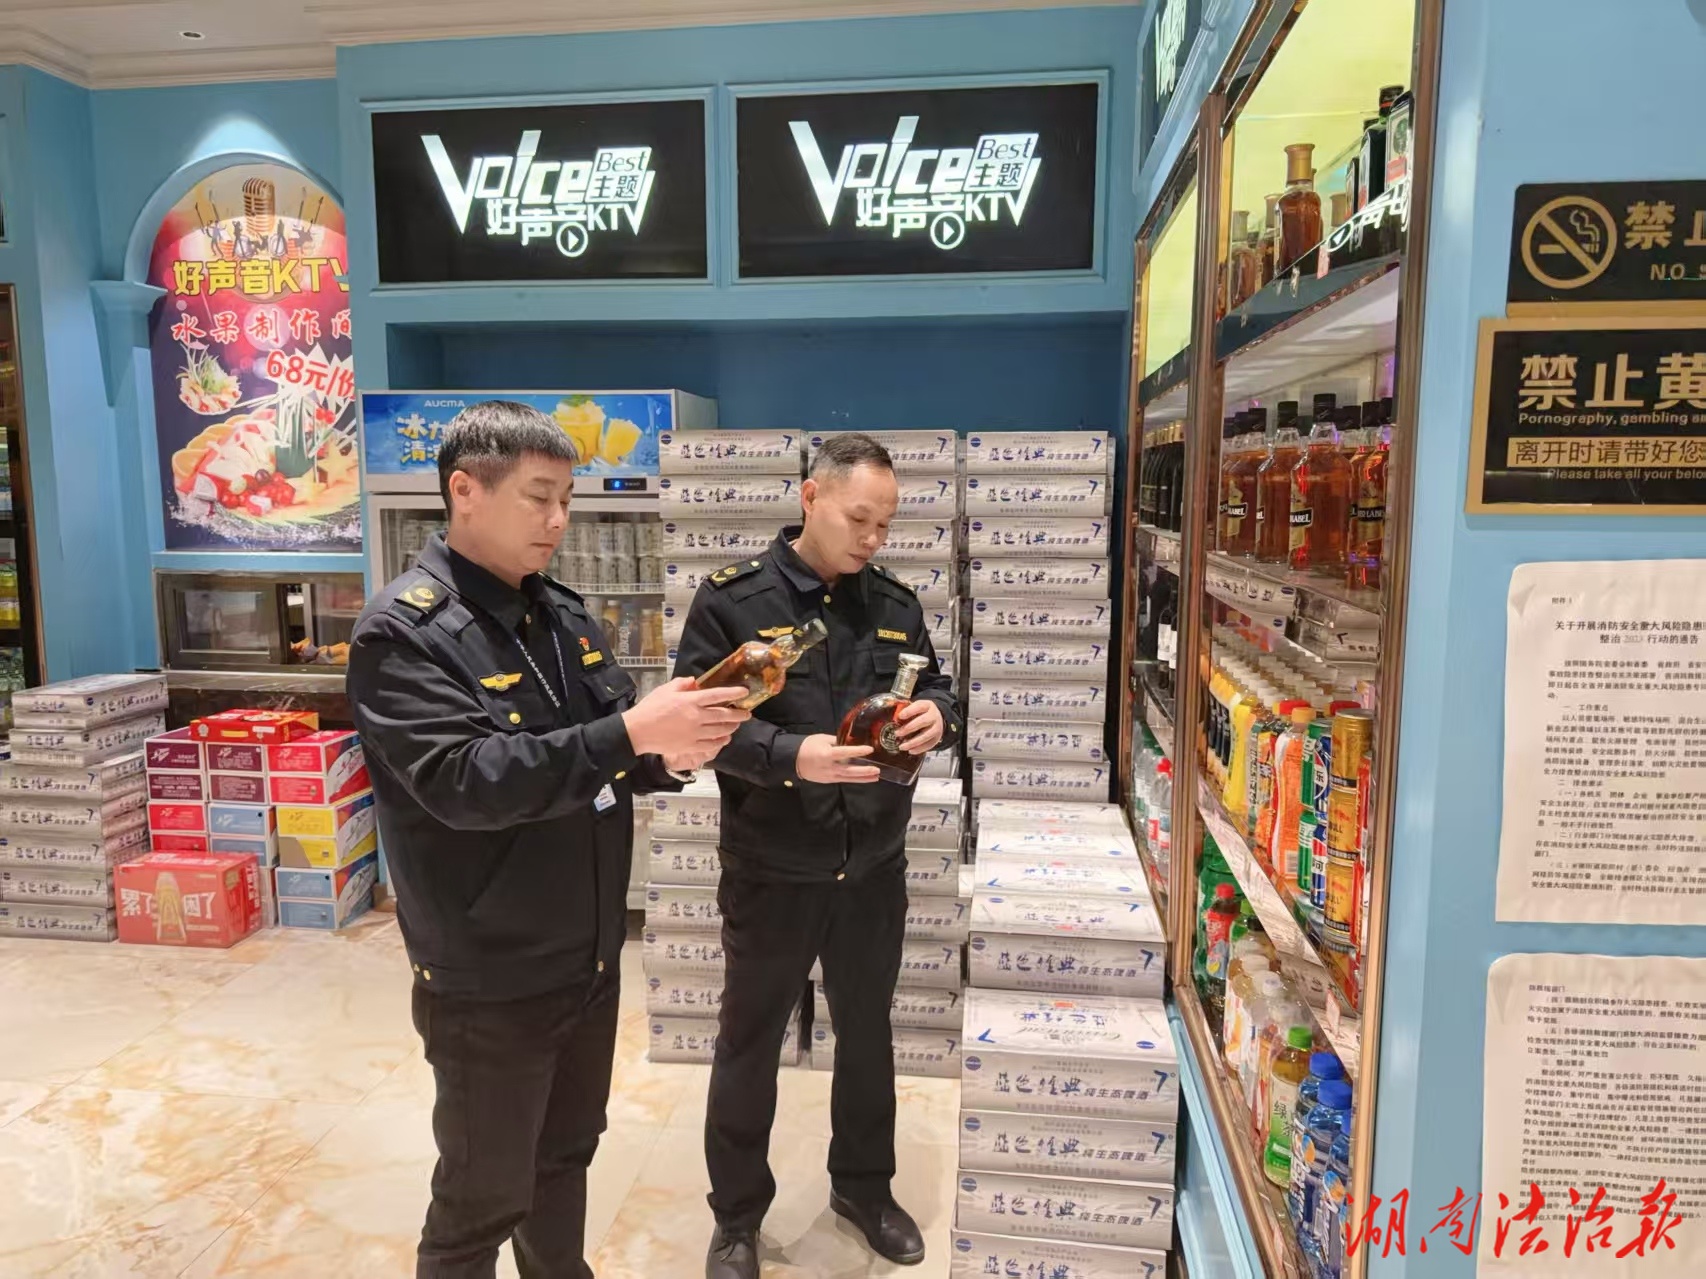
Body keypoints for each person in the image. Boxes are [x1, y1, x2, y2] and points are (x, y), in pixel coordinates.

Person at [347, 399, 750, 1279]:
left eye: (567, 498)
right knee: (480, 1198)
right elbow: (466, 780)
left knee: (564, 1157)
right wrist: (632, 735)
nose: (558, 519)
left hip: (587, 955)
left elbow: (605, 752)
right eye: (539, 497)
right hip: (490, 972)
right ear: (465, 490)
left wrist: (673, 750)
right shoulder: (403, 632)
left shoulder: (563, 617)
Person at [672, 432, 964, 1279]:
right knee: (749, 1040)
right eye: (859, 518)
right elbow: (698, 729)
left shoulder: (896, 604)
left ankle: (864, 1189)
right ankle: (736, 1218)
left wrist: (940, 715)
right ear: (811, 497)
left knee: (868, 1033)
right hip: (773, 865)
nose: (873, 537)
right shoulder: (734, 603)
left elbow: (936, 685)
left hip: (871, 867)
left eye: (886, 523)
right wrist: (789, 755)